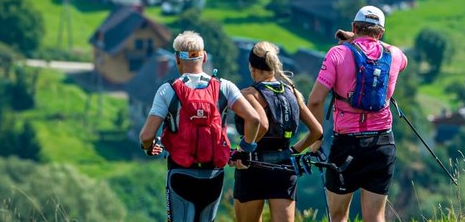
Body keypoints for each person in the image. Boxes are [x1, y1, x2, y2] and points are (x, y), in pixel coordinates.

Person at [139, 31, 266, 222]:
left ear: (176, 58)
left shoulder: (168, 90)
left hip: (180, 173)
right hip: (213, 175)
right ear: (204, 56)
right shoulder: (225, 87)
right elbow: (254, 119)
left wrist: (149, 148)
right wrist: (244, 150)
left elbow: (146, 136)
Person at [306, 6, 409, 222]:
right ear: (381, 33)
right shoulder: (395, 54)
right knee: (375, 217)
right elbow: (401, 60)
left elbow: (315, 100)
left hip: (347, 145)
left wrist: (316, 141)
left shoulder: (338, 53)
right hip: (382, 144)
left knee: (338, 216)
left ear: (353, 27)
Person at [233, 41, 325, 222]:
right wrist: (294, 151)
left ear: (251, 66)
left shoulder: (250, 94)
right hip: (284, 168)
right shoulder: (291, 91)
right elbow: (317, 131)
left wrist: (243, 151)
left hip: (253, 167)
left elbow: (262, 124)